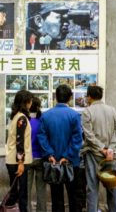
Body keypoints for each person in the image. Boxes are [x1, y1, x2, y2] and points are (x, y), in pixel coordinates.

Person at [38, 84, 83, 212]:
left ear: (55, 97)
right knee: (74, 196)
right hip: (71, 162)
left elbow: (42, 137)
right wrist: (67, 156)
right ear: (70, 98)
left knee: (56, 197)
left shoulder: (46, 116)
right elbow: (77, 139)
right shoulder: (74, 116)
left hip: (53, 163)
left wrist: (50, 155)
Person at [81, 86, 116, 212]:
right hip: (111, 155)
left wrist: (101, 149)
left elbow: (88, 135)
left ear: (89, 97)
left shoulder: (87, 112)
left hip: (93, 154)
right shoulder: (112, 110)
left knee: (92, 187)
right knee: (113, 185)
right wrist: (110, 149)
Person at [3, 90, 33, 212]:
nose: (31, 103)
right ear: (26, 102)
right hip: (18, 162)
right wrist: (20, 162)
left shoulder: (16, 116)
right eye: (30, 101)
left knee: (15, 192)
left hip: (12, 159)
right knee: (21, 194)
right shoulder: (22, 118)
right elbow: (19, 141)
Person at [27, 96, 47, 212]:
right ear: (39, 107)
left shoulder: (25, 120)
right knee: (41, 190)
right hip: (41, 157)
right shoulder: (43, 120)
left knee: (26, 190)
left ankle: (27, 209)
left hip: (28, 158)